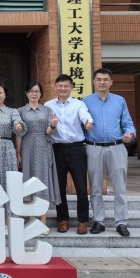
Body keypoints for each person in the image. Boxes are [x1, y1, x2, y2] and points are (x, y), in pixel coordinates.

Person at [83, 68, 136, 237]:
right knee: (95, 187)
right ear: (94, 82)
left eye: (105, 79)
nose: (102, 82)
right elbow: (80, 124)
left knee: (120, 187)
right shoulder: (85, 102)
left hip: (116, 147)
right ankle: (99, 221)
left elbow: (128, 123)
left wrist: (130, 134)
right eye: (99, 79)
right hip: (93, 147)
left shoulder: (120, 101)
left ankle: (121, 222)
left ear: (111, 82)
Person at [45, 74, 94, 235]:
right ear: (55, 87)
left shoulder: (78, 104)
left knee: (81, 186)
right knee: (59, 187)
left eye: (66, 86)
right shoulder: (48, 106)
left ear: (72, 87)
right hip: (57, 149)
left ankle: (82, 221)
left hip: (76, 149)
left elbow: (85, 116)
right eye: (60, 85)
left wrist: (88, 123)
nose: (63, 88)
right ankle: (63, 219)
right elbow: (46, 128)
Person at [16, 81, 61, 234]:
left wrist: (53, 125)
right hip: (27, 146)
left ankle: (43, 220)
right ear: (26, 93)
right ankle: (31, 220)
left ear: (41, 94)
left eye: (37, 91)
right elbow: (19, 134)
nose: (34, 94)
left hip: (43, 146)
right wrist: (18, 153)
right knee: (28, 180)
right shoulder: (20, 111)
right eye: (31, 91)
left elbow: (48, 132)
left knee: (43, 181)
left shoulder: (47, 110)